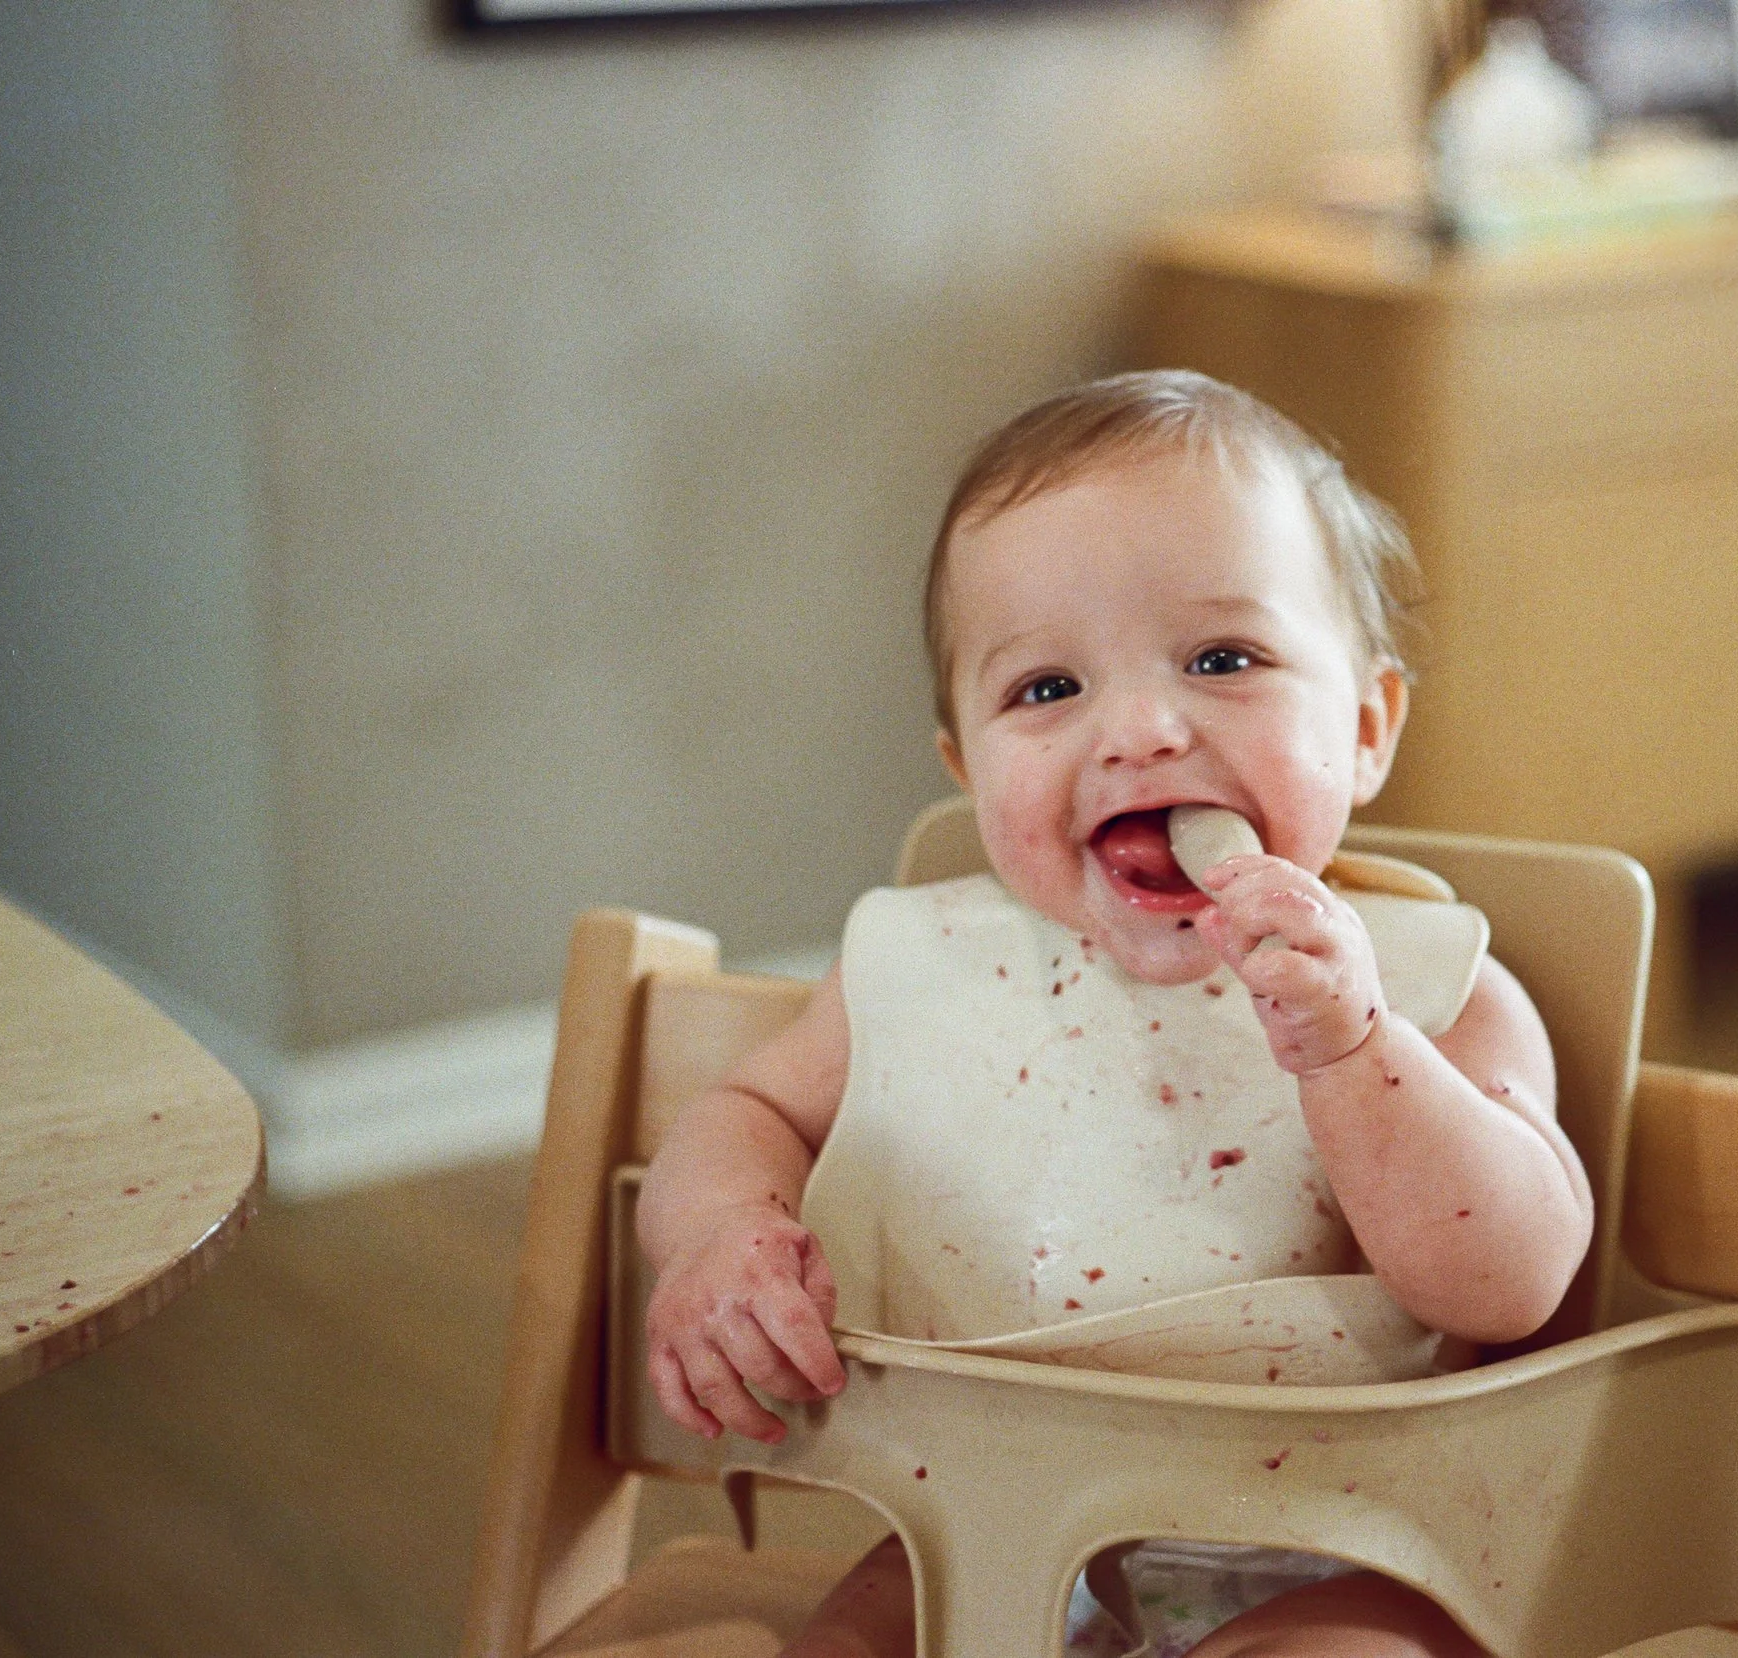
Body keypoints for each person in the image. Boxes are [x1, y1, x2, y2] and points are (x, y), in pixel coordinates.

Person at [635, 370, 1593, 1658]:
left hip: (1349, 1543)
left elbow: (1512, 1280)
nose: (1139, 731)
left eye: (1222, 660)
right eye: (1047, 688)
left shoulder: (1436, 986)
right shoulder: (927, 969)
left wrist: (1357, 1050)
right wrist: (719, 1232)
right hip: (989, 1521)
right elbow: (745, 1111)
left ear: (1366, 727)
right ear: (967, 765)